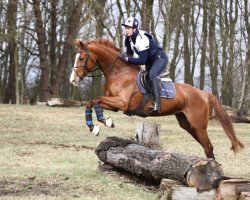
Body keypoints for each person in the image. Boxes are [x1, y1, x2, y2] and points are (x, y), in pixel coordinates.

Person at [119, 16, 169, 113]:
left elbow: (141, 60)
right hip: (149, 61)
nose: (126, 30)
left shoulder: (141, 39)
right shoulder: (128, 38)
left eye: (128, 28)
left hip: (159, 59)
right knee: (142, 77)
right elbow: (129, 53)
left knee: (152, 75)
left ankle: (157, 104)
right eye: (125, 28)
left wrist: (127, 58)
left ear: (134, 29)